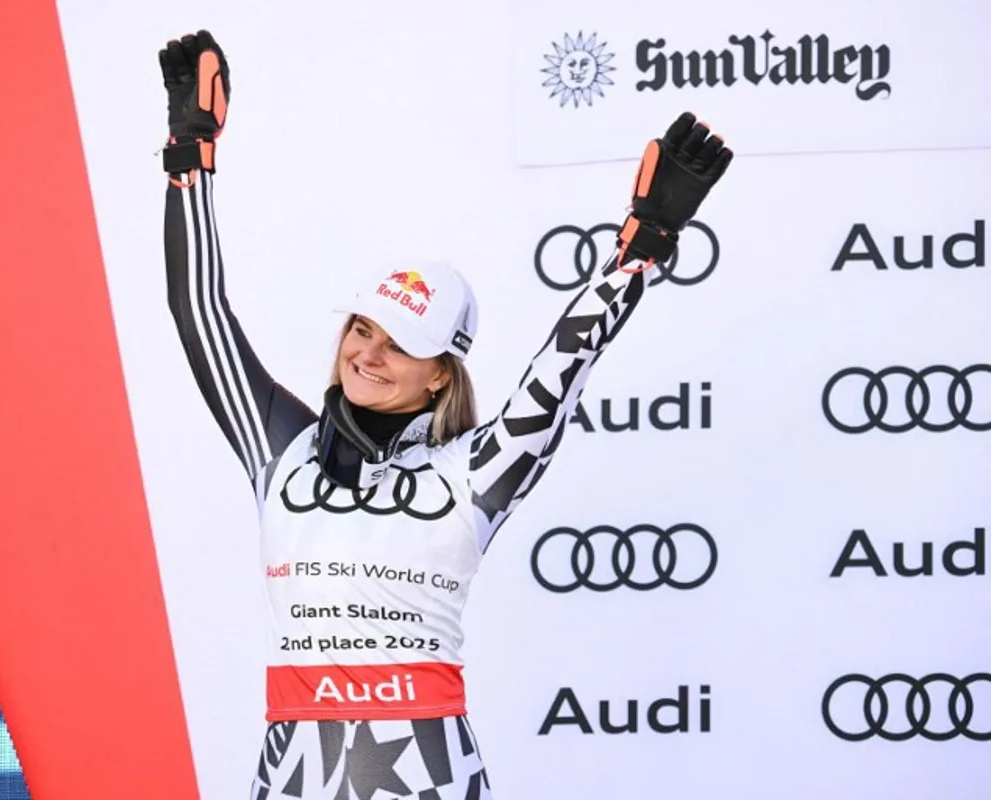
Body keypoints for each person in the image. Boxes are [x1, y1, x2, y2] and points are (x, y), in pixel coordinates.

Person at [158, 30, 732, 800]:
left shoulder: (473, 474)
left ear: (439, 376)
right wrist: (188, 157)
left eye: (401, 346)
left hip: (430, 776)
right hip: (291, 775)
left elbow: (558, 376)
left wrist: (641, 250)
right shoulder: (280, 446)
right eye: (362, 329)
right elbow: (200, 314)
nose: (367, 355)